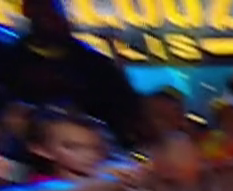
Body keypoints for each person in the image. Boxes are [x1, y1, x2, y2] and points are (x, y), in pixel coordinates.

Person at [0, 0, 144, 150]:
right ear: (28, 11)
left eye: (55, 11)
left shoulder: (96, 66)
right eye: (41, 10)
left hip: (95, 150)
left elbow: (126, 114)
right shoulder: (9, 62)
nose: (49, 17)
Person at [26, 106, 106, 182]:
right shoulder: (40, 188)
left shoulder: (104, 176)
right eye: (73, 147)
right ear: (42, 150)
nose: (90, 155)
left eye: (96, 148)